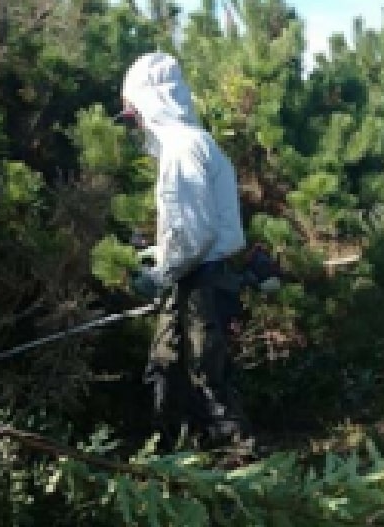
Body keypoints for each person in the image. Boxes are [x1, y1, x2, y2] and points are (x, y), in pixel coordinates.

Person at [118, 51, 256, 458]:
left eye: (133, 112)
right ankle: (182, 460)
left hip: (198, 282)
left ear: (150, 102)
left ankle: (239, 465)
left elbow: (196, 234)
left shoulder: (182, 151)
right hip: (200, 275)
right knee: (173, 369)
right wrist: (157, 253)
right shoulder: (198, 144)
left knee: (202, 376)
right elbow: (198, 228)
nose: (134, 123)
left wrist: (160, 274)